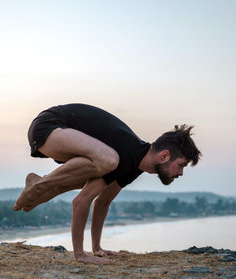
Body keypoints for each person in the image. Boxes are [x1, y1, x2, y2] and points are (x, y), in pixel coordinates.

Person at [13, 103, 201, 264]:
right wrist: (80, 254)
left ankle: (40, 187)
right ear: (164, 155)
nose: (181, 173)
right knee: (109, 160)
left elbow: (102, 201)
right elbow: (80, 201)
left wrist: (97, 248)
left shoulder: (135, 164)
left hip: (60, 134)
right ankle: (40, 184)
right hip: (49, 126)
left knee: (94, 171)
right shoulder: (127, 154)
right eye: (181, 165)